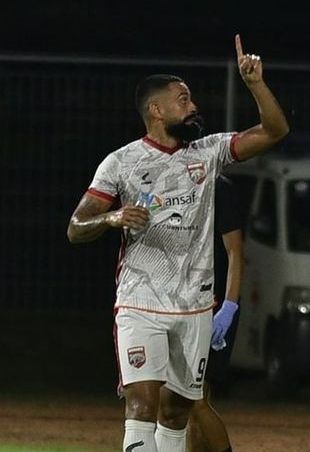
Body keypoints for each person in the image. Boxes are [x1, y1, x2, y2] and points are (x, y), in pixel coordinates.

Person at [66, 34, 289, 452]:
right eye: (183, 100)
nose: (193, 107)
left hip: (194, 305)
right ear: (156, 110)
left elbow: (276, 131)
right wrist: (113, 216)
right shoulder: (121, 162)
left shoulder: (208, 152)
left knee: (177, 412)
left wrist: (256, 84)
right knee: (142, 404)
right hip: (140, 301)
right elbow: (76, 226)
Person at [187, 174, 244, 452]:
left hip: (211, 305)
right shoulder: (170, 180)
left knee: (192, 399)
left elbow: (235, 252)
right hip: (182, 304)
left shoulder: (220, 187)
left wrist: (229, 306)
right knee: (187, 404)